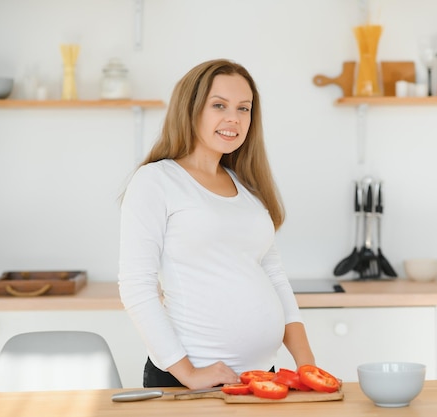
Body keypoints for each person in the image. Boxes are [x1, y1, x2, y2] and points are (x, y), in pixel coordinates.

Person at [118, 59, 316, 389]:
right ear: (190, 109)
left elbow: (274, 276)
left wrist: (306, 362)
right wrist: (189, 374)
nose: (233, 119)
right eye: (219, 105)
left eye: (244, 108)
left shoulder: (247, 188)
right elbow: (136, 286)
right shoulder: (156, 180)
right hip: (188, 382)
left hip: (260, 378)